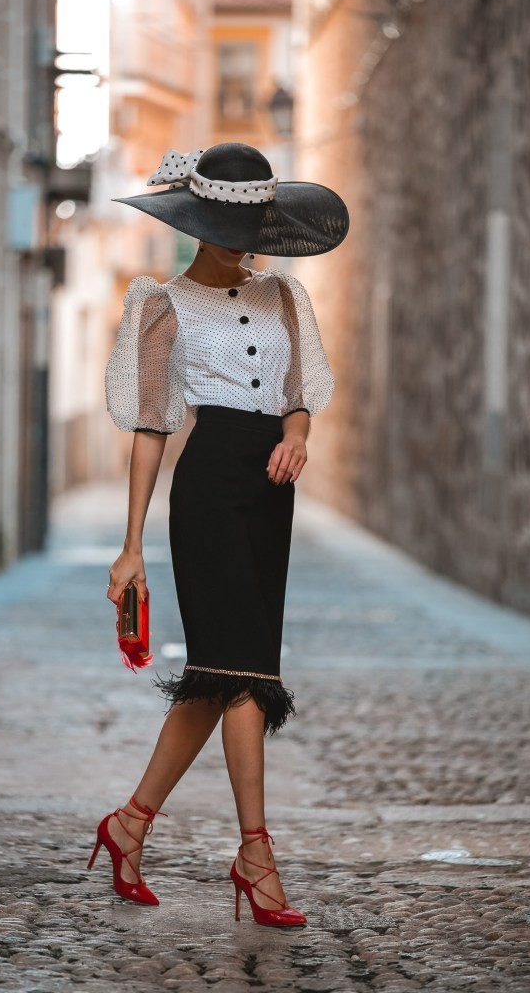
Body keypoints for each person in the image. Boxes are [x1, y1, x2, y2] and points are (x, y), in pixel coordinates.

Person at [90, 143, 348, 927]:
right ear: (197, 220)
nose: (244, 236)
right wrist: (130, 544)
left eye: (252, 221)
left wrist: (297, 436)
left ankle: (129, 824)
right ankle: (256, 856)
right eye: (228, 222)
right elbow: (149, 428)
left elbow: (297, 394)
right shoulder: (161, 304)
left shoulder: (284, 297)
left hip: (270, 489)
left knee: (220, 675)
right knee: (241, 679)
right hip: (204, 489)